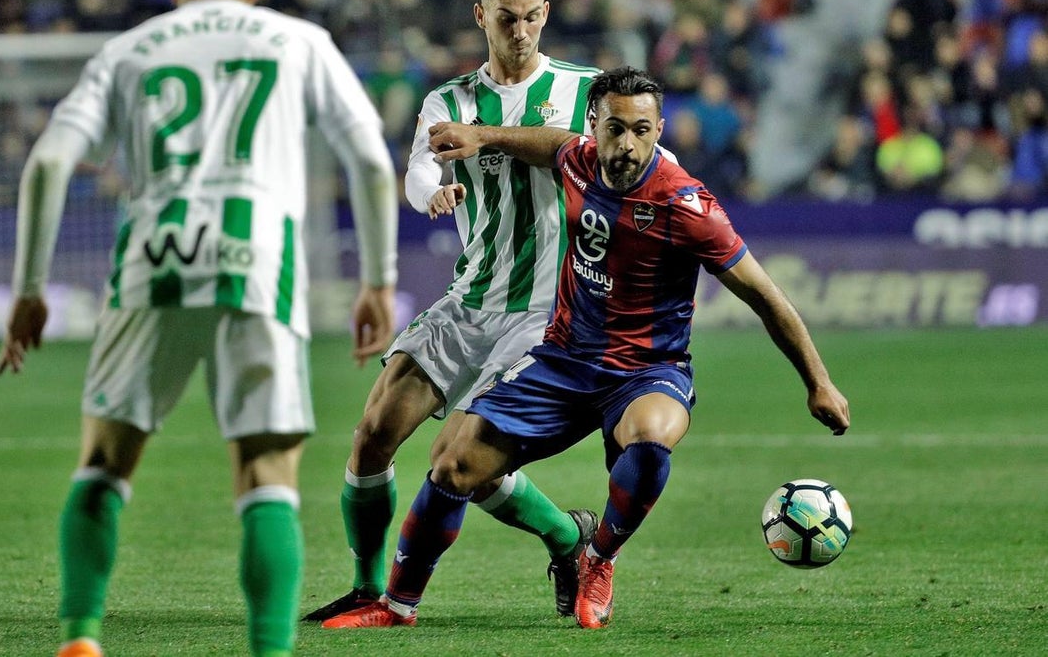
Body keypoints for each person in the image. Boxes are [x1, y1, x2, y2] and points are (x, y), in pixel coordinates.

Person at [0, 0, 398, 657]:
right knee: (266, 473)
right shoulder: (299, 41)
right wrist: (380, 279)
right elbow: (371, 160)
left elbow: (48, 162)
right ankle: (268, 650)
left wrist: (29, 290)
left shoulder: (129, 49)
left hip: (154, 254)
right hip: (259, 258)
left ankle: (81, 635)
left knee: (105, 462)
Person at [323, 66, 851, 630]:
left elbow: (767, 298)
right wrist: (485, 136)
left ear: (659, 129)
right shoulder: (579, 159)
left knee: (649, 441)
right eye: (614, 129)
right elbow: (552, 143)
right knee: (453, 465)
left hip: (648, 370)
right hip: (563, 359)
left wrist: (818, 381)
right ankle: (398, 606)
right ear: (594, 126)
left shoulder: (687, 207)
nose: (626, 145)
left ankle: (599, 557)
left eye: (642, 130)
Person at [302, 0, 600, 623]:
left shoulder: (588, 91)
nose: (520, 30)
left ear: (546, 13)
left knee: (464, 460)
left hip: (546, 313)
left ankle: (564, 538)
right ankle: (367, 585)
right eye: (506, 18)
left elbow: (581, 153)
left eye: (531, 16)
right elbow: (414, 169)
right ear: (481, 17)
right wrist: (433, 192)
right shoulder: (451, 100)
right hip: (472, 299)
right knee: (374, 435)